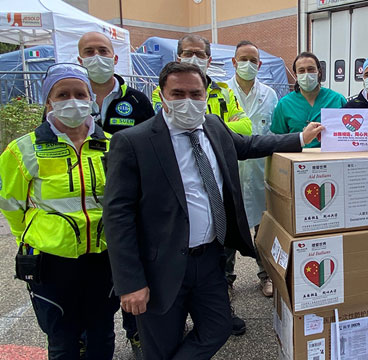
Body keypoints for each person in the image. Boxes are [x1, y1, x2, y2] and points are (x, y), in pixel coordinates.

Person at [103, 62, 323, 360]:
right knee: (161, 346)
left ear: (206, 94)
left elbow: (249, 144)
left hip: (208, 258)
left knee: (218, 327)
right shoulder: (133, 142)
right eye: (177, 93)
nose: (188, 101)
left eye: (195, 93)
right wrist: (130, 282)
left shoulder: (214, 126)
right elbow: (118, 217)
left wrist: (300, 139)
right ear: (162, 95)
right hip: (161, 265)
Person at [0, 63, 118, 359]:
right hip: (52, 262)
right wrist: (28, 239)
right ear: (48, 101)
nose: (73, 100)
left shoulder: (112, 145)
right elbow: (11, 204)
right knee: (63, 340)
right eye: (62, 94)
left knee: (102, 335)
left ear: (91, 97)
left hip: (103, 257)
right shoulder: (22, 149)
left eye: (80, 93)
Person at [152, 34, 252, 334]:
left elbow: (246, 131)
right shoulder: (157, 102)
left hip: (214, 215)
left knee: (218, 266)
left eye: (196, 95)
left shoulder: (219, 99)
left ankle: (220, 309)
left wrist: (212, 126)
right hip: (172, 221)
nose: (188, 101)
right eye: (187, 53)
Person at [77, 31, 153, 358]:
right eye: (89, 51)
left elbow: (152, 147)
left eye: (103, 50)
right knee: (92, 287)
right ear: (79, 58)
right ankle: (90, 338)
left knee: (132, 272)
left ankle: (137, 334)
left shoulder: (135, 101)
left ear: (115, 57)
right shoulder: (68, 98)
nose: (97, 57)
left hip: (130, 207)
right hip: (85, 215)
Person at [225, 40, 278, 297]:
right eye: (242, 59)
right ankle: (226, 279)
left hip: (260, 171)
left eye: (253, 60)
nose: (248, 64)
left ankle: (265, 274)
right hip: (229, 170)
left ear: (260, 64)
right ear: (234, 62)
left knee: (263, 230)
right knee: (227, 228)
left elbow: (274, 133)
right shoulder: (221, 92)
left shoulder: (270, 94)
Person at [150, 34, 252, 135]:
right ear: (179, 59)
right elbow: (166, 128)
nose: (194, 59)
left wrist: (200, 128)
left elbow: (246, 127)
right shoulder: (163, 92)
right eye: (188, 53)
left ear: (209, 61)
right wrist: (223, 127)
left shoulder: (224, 92)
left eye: (200, 54)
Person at [271, 52, 346, 147]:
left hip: (330, 158)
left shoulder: (337, 100)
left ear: (319, 72)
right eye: (301, 71)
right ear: (296, 75)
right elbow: (279, 139)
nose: (306, 74)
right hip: (298, 159)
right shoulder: (285, 104)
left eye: (311, 69)